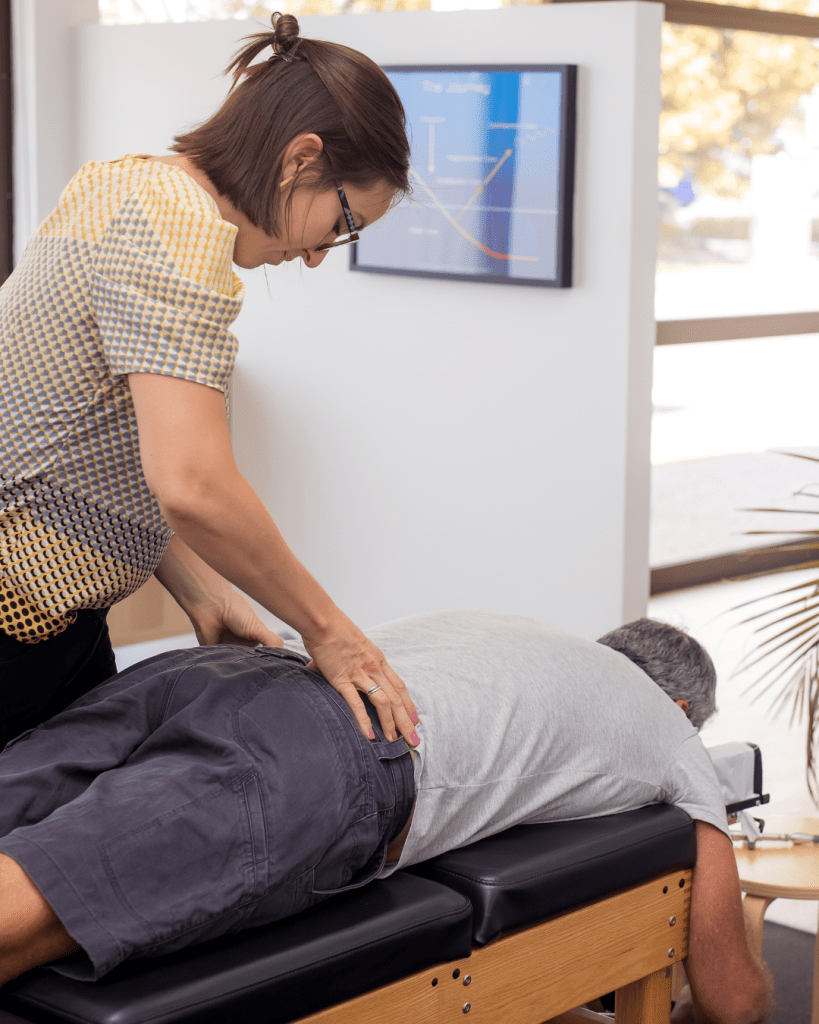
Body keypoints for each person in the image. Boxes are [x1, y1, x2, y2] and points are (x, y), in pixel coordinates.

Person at [0, 611, 771, 1024]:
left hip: (218, 671)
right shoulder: (670, 733)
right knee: (26, 921)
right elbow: (732, 1000)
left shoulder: (516, 628)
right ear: (681, 707)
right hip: (320, 753)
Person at [0, 12, 418, 751]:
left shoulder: (124, 181)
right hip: (17, 622)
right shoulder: (179, 230)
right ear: (300, 159)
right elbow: (193, 484)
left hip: (52, 615)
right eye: (341, 222)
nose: (319, 255)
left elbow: (92, 437)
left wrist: (204, 588)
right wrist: (333, 634)